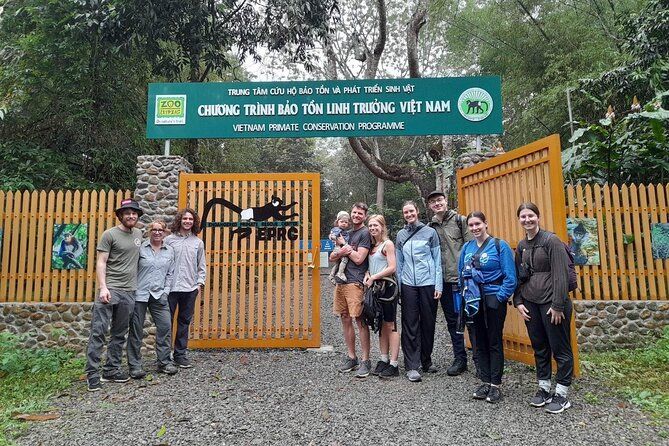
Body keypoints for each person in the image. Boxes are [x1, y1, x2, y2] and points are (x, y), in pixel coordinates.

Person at [515, 202, 574, 413]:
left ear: (538, 217)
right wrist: (519, 302)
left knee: (560, 348)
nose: (527, 220)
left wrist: (558, 305)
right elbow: (520, 277)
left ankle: (562, 393)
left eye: (530, 215)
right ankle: (544, 387)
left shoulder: (552, 241)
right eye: (523, 217)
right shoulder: (522, 245)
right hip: (531, 303)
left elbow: (561, 274)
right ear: (519, 220)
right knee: (540, 347)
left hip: (553, 304)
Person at [85, 198, 144, 391]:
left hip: (129, 291)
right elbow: (101, 262)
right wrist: (103, 287)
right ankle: (92, 374)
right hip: (110, 289)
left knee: (119, 333)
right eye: (127, 213)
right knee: (99, 332)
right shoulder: (109, 234)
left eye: (134, 213)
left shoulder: (138, 234)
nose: (131, 216)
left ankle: (111, 370)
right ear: (120, 215)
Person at [458, 211, 517, 403]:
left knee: (493, 340)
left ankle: (496, 384)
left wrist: (500, 297)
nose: (475, 228)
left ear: (486, 224)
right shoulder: (466, 247)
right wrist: (465, 296)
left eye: (478, 224)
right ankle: (484, 380)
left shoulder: (500, 246)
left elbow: (510, 276)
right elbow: (461, 275)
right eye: (471, 225)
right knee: (479, 340)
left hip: (493, 297)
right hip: (474, 300)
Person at [426, 190, 478, 377]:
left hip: (464, 280)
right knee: (452, 322)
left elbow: (472, 248)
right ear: (430, 206)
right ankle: (460, 359)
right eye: (433, 202)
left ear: (446, 201)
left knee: (472, 320)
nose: (437, 204)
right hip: (444, 282)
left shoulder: (460, 221)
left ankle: (479, 361)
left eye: (439, 200)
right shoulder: (430, 228)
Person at [396, 200, 442, 382]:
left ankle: (426, 360)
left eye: (411, 211)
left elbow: (437, 260)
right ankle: (412, 365)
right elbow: (399, 264)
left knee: (428, 323)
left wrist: (438, 285)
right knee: (410, 324)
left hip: (428, 282)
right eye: (406, 212)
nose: (409, 215)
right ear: (404, 215)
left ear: (417, 212)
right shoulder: (400, 235)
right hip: (408, 284)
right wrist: (400, 288)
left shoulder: (430, 232)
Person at [127, 219, 178, 378]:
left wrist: (166, 292)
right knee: (136, 330)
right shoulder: (140, 248)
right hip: (140, 295)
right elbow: (132, 269)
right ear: (149, 231)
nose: (157, 232)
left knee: (165, 327)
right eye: (154, 230)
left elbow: (170, 274)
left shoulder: (169, 251)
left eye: (160, 230)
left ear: (165, 233)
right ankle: (135, 366)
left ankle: (164, 362)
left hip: (159, 295)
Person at [330, 203, 372, 378]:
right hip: (341, 282)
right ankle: (351, 357)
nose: (356, 215)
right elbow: (333, 257)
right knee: (345, 318)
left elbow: (359, 258)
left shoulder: (364, 233)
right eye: (354, 212)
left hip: (355, 282)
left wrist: (343, 246)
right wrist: (342, 248)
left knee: (360, 320)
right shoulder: (345, 231)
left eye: (359, 213)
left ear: (365, 215)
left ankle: (365, 360)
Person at [165, 208, 206, 369]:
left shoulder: (197, 242)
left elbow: (201, 266)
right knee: (166, 322)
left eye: (190, 219)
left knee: (184, 322)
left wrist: (199, 284)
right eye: (185, 219)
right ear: (179, 221)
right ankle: (164, 355)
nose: (187, 221)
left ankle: (180, 355)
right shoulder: (169, 240)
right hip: (170, 288)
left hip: (189, 288)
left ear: (194, 222)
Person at [363, 214, 400, 379]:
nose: (372, 228)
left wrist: (374, 277)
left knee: (390, 324)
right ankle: (383, 358)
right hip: (376, 289)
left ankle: (394, 363)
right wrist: (367, 273)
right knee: (380, 323)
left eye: (375, 225)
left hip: (387, 288)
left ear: (382, 227)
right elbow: (372, 265)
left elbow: (392, 267)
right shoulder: (372, 246)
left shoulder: (387, 244)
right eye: (370, 226)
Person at [328, 211, 351, 284]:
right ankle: (340, 273)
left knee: (337, 263)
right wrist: (334, 238)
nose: (344, 223)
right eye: (342, 222)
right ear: (337, 222)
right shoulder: (337, 229)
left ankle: (331, 275)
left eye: (346, 222)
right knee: (345, 259)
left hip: (340, 247)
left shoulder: (345, 231)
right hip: (339, 247)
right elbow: (332, 236)